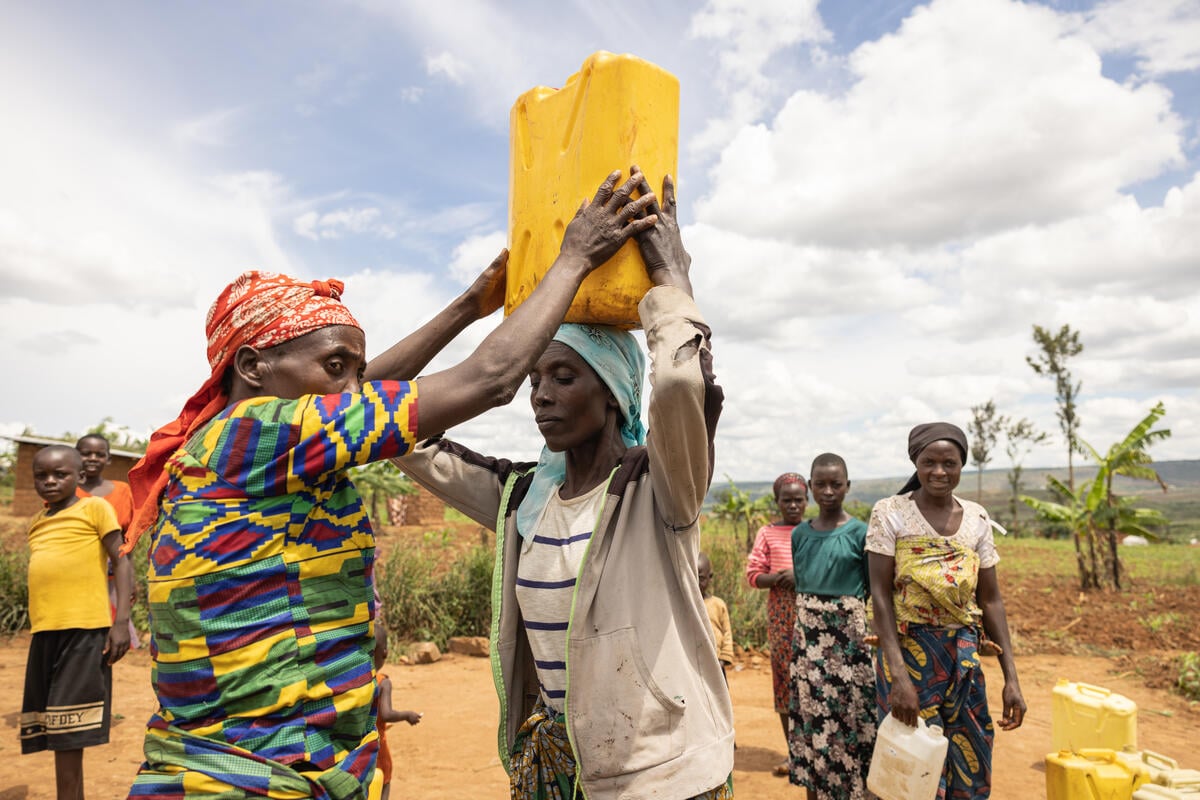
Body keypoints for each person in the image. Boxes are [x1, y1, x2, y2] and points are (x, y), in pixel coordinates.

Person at [123, 168, 659, 800]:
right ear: (252, 365)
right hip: (241, 777)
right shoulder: (255, 434)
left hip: (297, 762)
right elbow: (490, 379)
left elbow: (365, 397)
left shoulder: (265, 445)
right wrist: (575, 257)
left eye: (353, 367)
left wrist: (468, 305)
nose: (353, 386)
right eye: (334, 367)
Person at [394, 173, 734, 800]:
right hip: (559, 768)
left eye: (563, 376)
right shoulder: (522, 497)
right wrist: (470, 305)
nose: (541, 394)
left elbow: (684, 387)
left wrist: (670, 283)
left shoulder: (659, 487)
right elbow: (390, 426)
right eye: (533, 379)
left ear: (613, 395)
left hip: (660, 776)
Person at [867, 422, 1026, 800]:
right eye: (929, 462)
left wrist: (1012, 680)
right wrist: (899, 678)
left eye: (949, 463)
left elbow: (991, 600)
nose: (940, 472)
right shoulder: (891, 513)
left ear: (961, 465)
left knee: (969, 758)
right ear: (916, 463)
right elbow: (881, 595)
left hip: (964, 659)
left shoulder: (977, 519)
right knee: (908, 764)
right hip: (909, 653)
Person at [20, 445, 133, 800]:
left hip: (84, 631)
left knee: (70, 731)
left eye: (60, 474)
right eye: (42, 476)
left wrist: (120, 623)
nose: (50, 481)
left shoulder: (94, 508)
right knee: (54, 727)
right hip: (45, 633)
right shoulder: (38, 522)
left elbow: (122, 559)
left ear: (79, 477)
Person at [786, 453, 874, 800]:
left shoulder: (860, 533)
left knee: (852, 716)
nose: (827, 491)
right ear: (809, 487)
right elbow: (803, 587)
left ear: (847, 487)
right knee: (815, 720)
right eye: (820, 484)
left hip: (848, 645)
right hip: (808, 646)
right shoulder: (800, 535)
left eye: (835, 484)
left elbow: (869, 590)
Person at [744, 472, 807, 776]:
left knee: (813, 682)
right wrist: (779, 579)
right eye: (787, 500)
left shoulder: (814, 531)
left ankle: (814, 751)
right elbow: (753, 575)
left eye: (799, 500)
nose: (793, 505)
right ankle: (794, 754)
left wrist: (803, 579)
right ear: (777, 501)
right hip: (781, 615)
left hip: (813, 612)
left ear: (807, 501)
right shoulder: (767, 533)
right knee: (785, 682)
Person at [75, 434, 139, 649]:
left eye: (99, 454)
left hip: (113, 578)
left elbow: (127, 542)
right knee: (77, 636)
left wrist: (130, 578)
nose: (93, 458)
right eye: (86, 453)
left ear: (108, 459)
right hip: (75, 578)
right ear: (75, 456)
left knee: (106, 638)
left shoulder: (122, 492)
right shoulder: (66, 491)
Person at [372, 624, 421, 800]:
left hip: (357, 746)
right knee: (383, 782)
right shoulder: (382, 682)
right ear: (385, 653)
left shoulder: (356, 681)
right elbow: (386, 714)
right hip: (377, 747)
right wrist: (407, 715)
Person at [698, 553, 734, 678]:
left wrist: (723, 659)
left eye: (701, 578)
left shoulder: (718, 604)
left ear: (710, 577)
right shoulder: (684, 607)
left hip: (717, 663)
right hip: (694, 663)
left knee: (718, 696)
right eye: (692, 578)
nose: (697, 583)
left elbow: (727, 634)